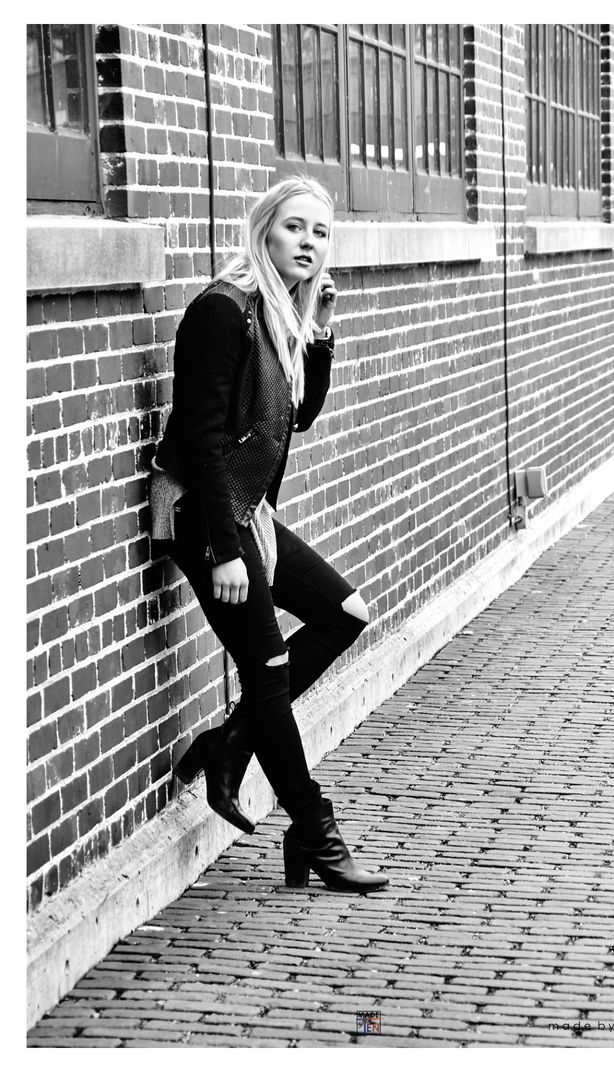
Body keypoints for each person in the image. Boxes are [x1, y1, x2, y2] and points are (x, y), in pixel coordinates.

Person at [149, 177, 388, 893]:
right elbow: (198, 441)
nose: (309, 242)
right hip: (203, 511)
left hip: (248, 509)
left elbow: (303, 413)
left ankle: (230, 745)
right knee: (269, 671)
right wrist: (224, 549)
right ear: (264, 231)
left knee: (346, 615)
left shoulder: (279, 311)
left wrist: (321, 328)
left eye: (320, 232)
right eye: (294, 228)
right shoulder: (223, 312)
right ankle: (312, 829)